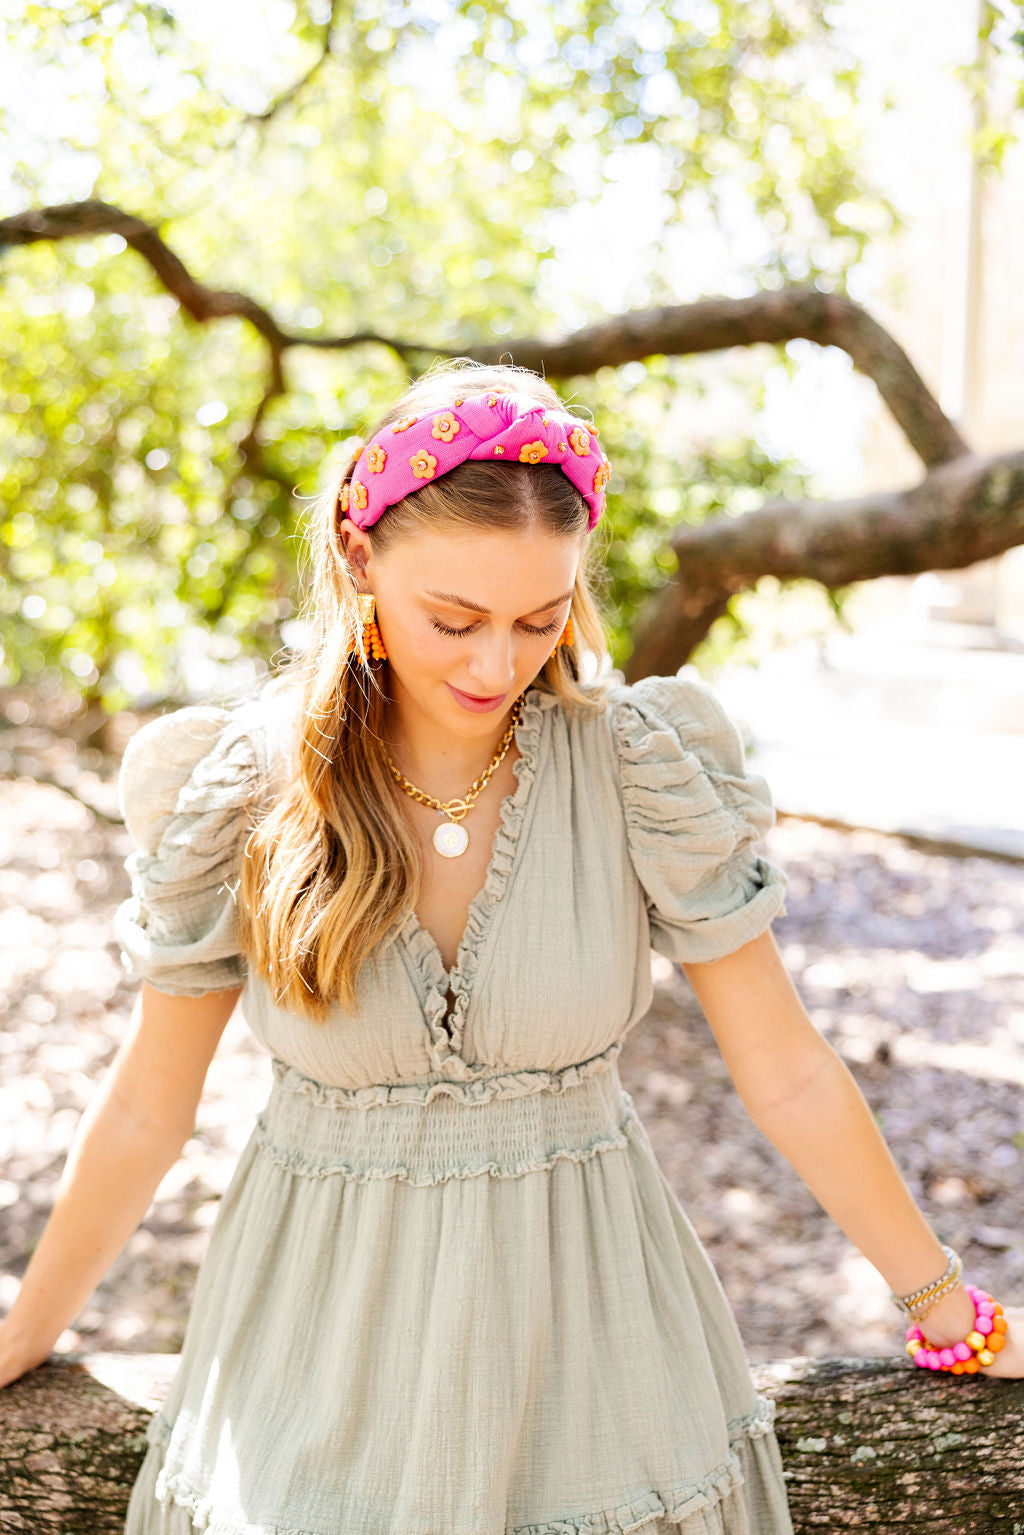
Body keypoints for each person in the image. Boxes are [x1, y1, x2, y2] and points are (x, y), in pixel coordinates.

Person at [0, 359, 1018, 1535]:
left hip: (598, 1356)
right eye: (455, 619)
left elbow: (784, 1067)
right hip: (314, 1360)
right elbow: (147, 1105)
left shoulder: (637, 765)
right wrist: (29, 1323)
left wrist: (946, 1301)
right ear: (359, 560)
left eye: (540, 620)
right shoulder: (249, 787)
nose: (497, 665)